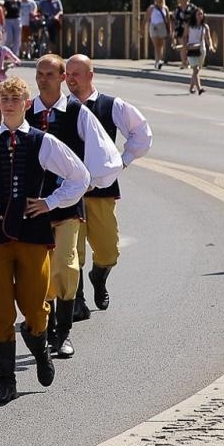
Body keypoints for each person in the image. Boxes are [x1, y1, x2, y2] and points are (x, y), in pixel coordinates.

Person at [0, 76, 90, 405]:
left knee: (34, 305)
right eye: (4, 98)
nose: (9, 103)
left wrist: (51, 201)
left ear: (27, 104)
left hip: (32, 231)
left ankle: (41, 347)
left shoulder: (42, 142)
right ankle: (7, 381)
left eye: (16, 98)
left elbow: (80, 176)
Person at [27, 55, 122, 359]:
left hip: (67, 205)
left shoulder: (76, 111)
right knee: (40, 273)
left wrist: (88, 182)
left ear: (62, 76)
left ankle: (63, 334)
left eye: (49, 74)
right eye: (39, 74)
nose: (43, 79)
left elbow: (105, 153)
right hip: (33, 206)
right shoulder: (25, 111)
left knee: (66, 266)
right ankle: (46, 328)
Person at [63, 55, 154, 319]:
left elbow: (142, 133)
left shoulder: (110, 105)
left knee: (108, 250)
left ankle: (98, 276)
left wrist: (121, 162)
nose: (70, 79)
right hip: (69, 193)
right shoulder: (59, 108)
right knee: (72, 250)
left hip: (101, 191)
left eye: (76, 74)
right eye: (67, 74)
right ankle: (76, 300)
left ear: (90, 75)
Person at [183, 6, 211, 95]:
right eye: (198, 14)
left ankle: (191, 88)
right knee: (196, 69)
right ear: (194, 15)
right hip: (191, 49)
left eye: (201, 14)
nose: (200, 16)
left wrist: (210, 46)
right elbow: (184, 36)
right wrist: (185, 45)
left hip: (201, 49)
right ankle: (199, 88)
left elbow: (208, 38)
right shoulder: (190, 26)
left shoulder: (205, 27)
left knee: (197, 70)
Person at [146, 0, 172, 69]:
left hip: (162, 26)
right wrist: (142, 28)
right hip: (154, 26)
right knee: (156, 44)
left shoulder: (165, 8)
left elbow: (168, 20)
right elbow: (146, 18)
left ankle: (159, 59)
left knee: (160, 45)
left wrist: (169, 30)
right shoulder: (151, 8)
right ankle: (157, 61)